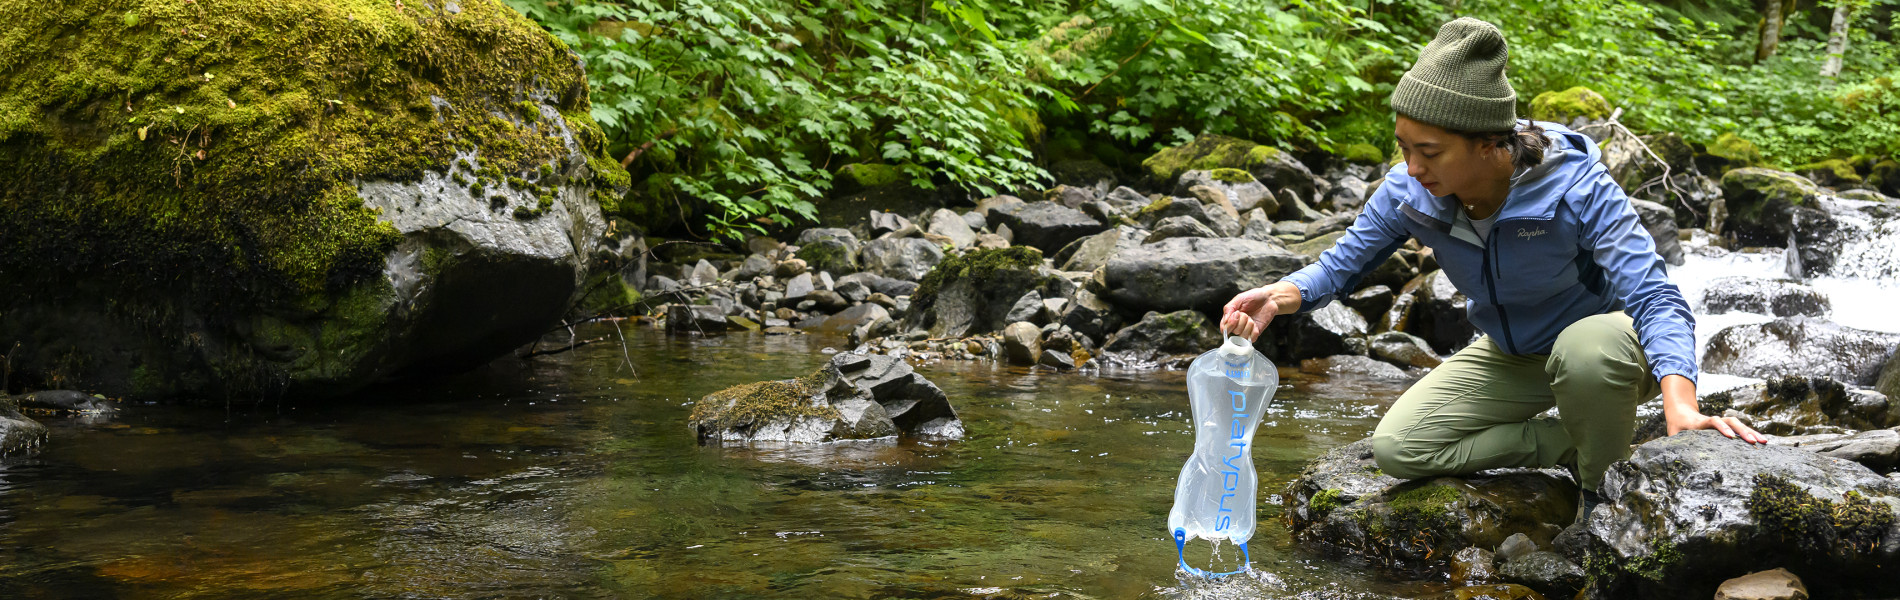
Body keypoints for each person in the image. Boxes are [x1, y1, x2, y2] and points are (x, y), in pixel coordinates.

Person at [1217, 17, 1766, 525]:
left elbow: (1654, 297)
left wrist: (1681, 406)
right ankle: (1573, 445)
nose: (1412, 167)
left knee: (1584, 352)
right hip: (1513, 353)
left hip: (1609, 351)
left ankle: (1602, 500)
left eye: (1429, 151)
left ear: (1488, 144)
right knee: (1398, 449)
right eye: (1404, 147)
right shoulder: (1409, 191)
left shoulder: (1577, 187)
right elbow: (1341, 264)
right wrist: (1280, 296)